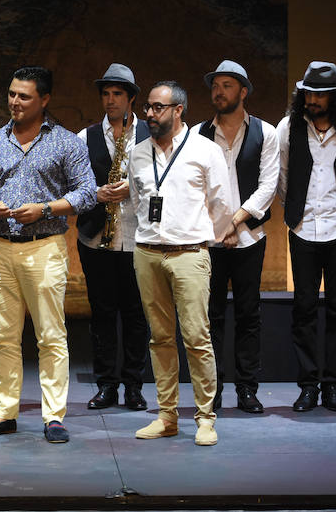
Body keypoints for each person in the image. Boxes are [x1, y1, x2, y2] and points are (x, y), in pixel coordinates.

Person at [0, 66, 96, 444]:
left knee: (50, 337)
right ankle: (4, 411)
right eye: (11, 94)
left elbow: (87, 193)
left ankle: (53, 416)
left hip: (45, 247)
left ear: (45, 100)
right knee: (3, 337)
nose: (15, 102)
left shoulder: (67, 143)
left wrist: (47, 209)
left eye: (24, 96)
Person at [128, 81, 233, 446]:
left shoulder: (205, 150)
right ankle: (166, 415)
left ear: (178, 110)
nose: (150, 114)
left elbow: (223, 205)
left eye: (158, 108)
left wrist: (200, 238)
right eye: (148, 108)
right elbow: (139, 199)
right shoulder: (138, 153)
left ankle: (205, 418)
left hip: (190, 254)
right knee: (159, 338)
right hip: (148, 253)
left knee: (197, 338)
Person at [194, 60, 278, 414]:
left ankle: (247, 389)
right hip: (209, 241)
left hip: (249, 239)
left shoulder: (266, 132)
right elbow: (194, 187)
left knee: (248, 314)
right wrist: (219, 227)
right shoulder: (198, 134)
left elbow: (268, 186)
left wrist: (236, 223)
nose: (219, 91)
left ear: (243, 91)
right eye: (215, 85)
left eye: (227, 85)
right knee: (209, 316)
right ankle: (211, 391)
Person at [76, 63, 150, 411]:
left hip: (139, 237)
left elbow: (166, 182)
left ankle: (134, 385)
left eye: (117, 94)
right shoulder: (85, 136)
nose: (110, 101)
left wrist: (132, 190)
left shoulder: (151, 134)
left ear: (131, 98)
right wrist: (96, 192)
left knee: (137, 314)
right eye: (105, 94)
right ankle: (106, 384)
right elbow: (71, 187)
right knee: (102, 313)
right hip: (96, 238)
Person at [277, 61, 336, 413]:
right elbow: (282, 175)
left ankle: (333, 385)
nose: (312, 99)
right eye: (308, 93)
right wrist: (294, 212)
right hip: (303, 229)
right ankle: (308, 385)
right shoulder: (289, 127)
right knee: (303, 308)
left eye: (320, 94)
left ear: (333, 97)